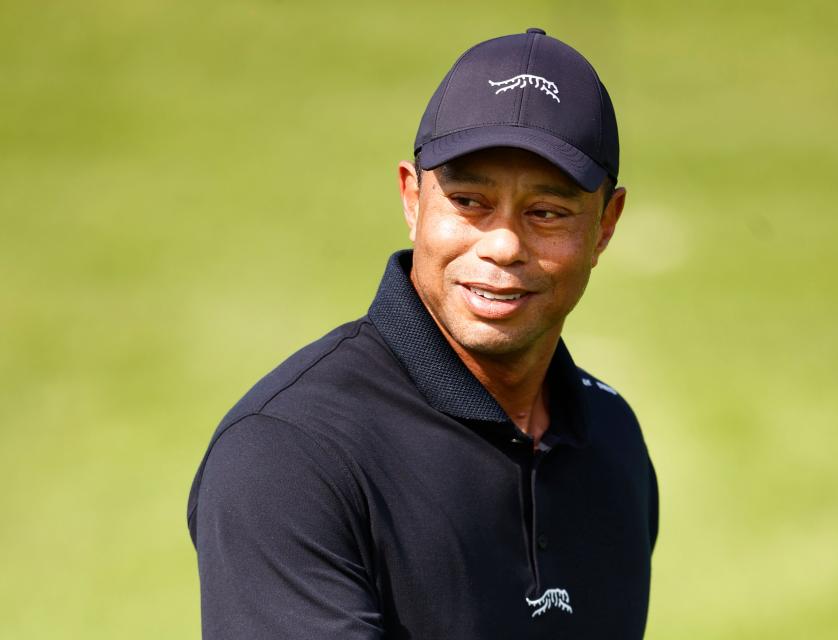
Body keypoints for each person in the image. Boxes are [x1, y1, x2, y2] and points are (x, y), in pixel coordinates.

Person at [187, 28, 658, 639]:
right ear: (413, 198)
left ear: (605, 225)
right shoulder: (289, 457)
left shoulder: (613, 441)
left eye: (547, 212)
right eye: (468, 202)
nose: (503, 246)